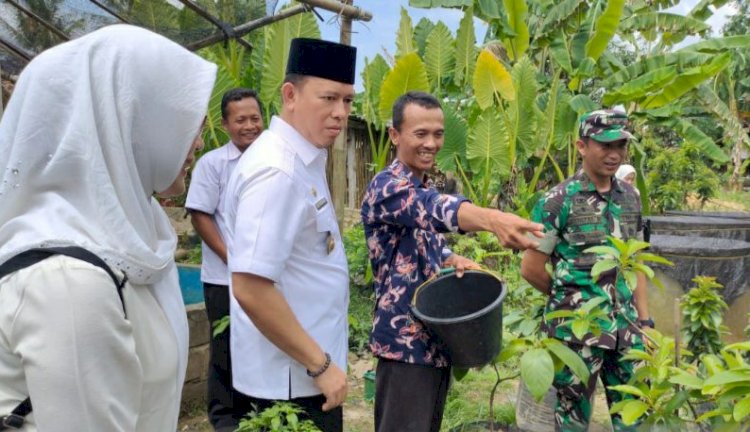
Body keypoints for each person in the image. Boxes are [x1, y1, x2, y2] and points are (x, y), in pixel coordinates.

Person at [0, 25, 215, 431]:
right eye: (187, 125)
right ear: (132, 122)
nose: (198, 143)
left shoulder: (135, 236)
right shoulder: (67, 281)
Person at [361, 91, 545, 432]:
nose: (431, 143)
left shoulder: (419, 183)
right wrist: (493, 219)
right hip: (404, 349)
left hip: (434, 342)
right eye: (420, 134)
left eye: (438, 134)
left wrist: (450, 258)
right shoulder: (388, 187)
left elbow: (421, 242)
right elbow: (434, 208)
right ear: (394, 134)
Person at [223, 38, 356, 432]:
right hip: (292, 382)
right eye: (329, 98)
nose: (340, 113)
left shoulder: (303, 158)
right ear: (290, 94)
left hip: (305, 374)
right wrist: (321, 364)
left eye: (347, 101)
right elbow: (250, 286)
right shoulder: (277, 172)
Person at [520, 110, 652, 431]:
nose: (615, 154)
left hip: (627, 331)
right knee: (572, 421)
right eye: (605, 145)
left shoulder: (631, 197)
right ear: (581, 146)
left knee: (638, 417)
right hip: (576, 336)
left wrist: (645, 322)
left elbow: (636, 263)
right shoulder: (557, 201)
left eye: (621, 145)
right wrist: (569, 300)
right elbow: (531, 268)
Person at [185, 88, 264, 432]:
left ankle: (258, 413)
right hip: (224, 278)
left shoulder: (272, 160)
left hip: (265, 278)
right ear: (226, 124)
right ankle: (225, 419)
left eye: (255, 118)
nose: (249, 126)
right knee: (225, 348)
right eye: (241, 120)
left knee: (261, 344)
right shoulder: (212, 164)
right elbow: (200, 214)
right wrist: (233, 259)